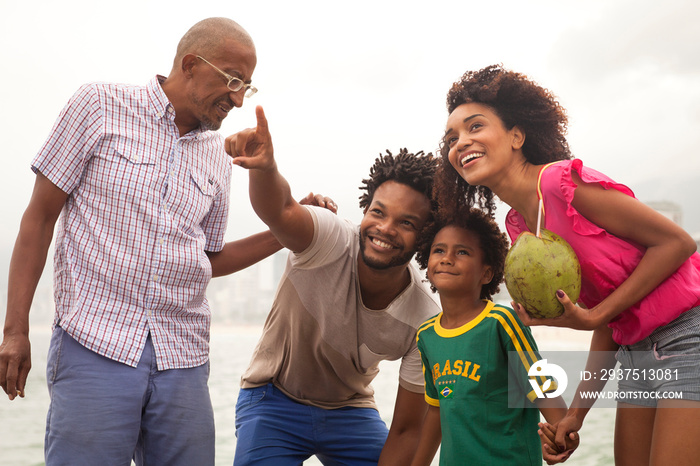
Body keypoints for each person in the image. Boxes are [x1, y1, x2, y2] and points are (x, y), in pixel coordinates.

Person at [0, 17, 336, 466]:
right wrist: (15, 330)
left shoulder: (219, 157)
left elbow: (208, 259)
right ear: (191, 64)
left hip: (184, 355)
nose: (238, 99)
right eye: (233, 81)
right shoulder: (98, 105)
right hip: (94, 343)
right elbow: (39, 220)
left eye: (247, 87)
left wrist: (290, 227)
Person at [434, 64, 700, 465]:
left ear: (517, 136)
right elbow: (612, 317)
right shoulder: (521, 226)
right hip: (636, 353)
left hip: (687, 336)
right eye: (452, 138)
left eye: (475, 127)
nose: (461, 142)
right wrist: (575, 415)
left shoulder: (562, 184)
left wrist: (595, 316)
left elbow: (677, 243)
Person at [225, 105, 441, 465]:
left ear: (425, 238)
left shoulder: (424, 317)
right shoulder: (328, 239)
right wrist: (266, 169)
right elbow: (279, 210)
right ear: (364, 209)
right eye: (378, 212)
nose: (385, 229)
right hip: (273, 397)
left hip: (350, 409)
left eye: (406, 223)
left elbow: (407, 430)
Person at [409, 206, 577, 465]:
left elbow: (540, 384)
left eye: (462, 252)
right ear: (427, 262)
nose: (447, 258)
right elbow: (437, 409)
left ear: (486, 273)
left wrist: (563, 430)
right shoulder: (426, 335)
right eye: (439, 250)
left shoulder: (501, 322)